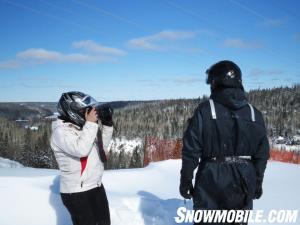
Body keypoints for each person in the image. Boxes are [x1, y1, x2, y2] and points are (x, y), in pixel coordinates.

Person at [179, 60, 270, 223]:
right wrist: (257, 180)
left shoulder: (205, 110)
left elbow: (191, 150)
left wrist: (186, 180)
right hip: (244, 178)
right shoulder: (255, 114)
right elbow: (261, 154)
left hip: (211, 177)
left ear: (216, 82)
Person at [50, 91, 113, 225]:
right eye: (86, 109)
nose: (89, 113)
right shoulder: (61, 132)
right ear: (73, 110)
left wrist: (107, 125)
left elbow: (102, 150)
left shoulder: (84, 128)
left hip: (95, 186)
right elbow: (81, 150)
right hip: (77, 192)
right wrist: (91, 124)